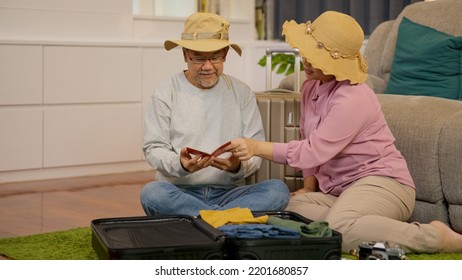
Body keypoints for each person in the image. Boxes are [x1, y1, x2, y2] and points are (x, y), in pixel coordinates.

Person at [225, 11, 462, 253]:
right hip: (341, 193)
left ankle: (434, 237)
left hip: (384, 185)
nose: (306, 59)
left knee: (338, 229)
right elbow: (308, 139)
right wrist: (309, 186)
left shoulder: (353, 97)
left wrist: (256, 147)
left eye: (315, 56)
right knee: (285, 206)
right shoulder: (310, 87)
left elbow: (312, 151)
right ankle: (369, 227)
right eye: (306, 51)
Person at [140, 12, 290, 217]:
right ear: (185, 55)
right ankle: (228, 221)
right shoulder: (165, 91)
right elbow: (153, 148)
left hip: (230, 193)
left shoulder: (242, 92)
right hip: (179, 191)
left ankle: (202, 222)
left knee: (277, 190)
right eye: (199, 58)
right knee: (152, 193)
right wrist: (180, 164)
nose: (208, 66)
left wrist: (237, 166)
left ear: (225, 55)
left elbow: (256, 148)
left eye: (215, 58)